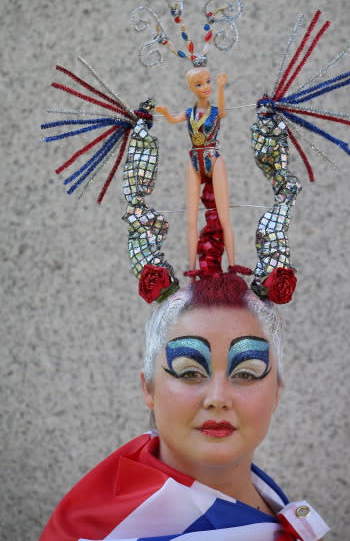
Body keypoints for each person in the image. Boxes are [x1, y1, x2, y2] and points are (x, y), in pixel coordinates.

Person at [39, 273, 328, 540]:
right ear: (149, 388)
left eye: (245, 373)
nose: (218, 398)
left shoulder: (267, 495)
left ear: (277, 392)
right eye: (190, 372)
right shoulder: (103, 532)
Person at [156, 68, 236, 274]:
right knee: (191, 219)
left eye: (207, 81)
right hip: (194, 159)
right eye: (199, 84)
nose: (205, 87)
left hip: (213, 158)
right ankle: (192, 270)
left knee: (224, 216)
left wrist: (220, 87)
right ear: (190, 88)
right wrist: (164, 112)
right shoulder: (190, 113)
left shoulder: (215, 110)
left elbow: (224, 111)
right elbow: (174, 119)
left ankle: (233, 265)